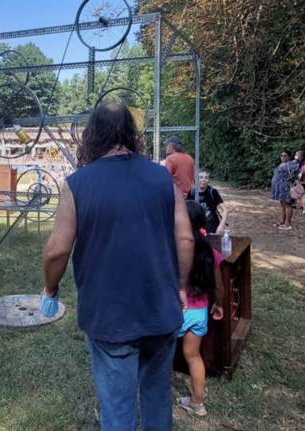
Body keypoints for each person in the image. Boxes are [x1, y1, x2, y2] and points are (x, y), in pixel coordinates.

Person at [40, 103, 194, 430]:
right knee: (157, 400)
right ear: (131, 132)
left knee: (117, 409)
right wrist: (180, 287)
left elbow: (56, 252)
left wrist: (50, 289)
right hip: (160, 310)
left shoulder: (77, 184)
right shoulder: (162, 177)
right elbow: (186, 239)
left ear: (92, 135)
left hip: (110, 317)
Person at [177, 200, 224, 417]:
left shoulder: (174, 248)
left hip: (177, 310)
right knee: (193, 357)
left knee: (161, 356)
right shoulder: (210, 251)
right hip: (199, 312)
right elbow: (219, 285)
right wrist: (219, 304)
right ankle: (198, 403)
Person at [187, 168, 229, 234]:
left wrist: (221, 226)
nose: (203, 180)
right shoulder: (192, 192)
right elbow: (186, 210)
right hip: (196, 227)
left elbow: (225, 210)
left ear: (209, 180)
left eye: (206, 178)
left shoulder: (212, 192)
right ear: (196, 179)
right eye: (201, 177)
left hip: (212, 226)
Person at [271, 151, 299, 230]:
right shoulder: (281, 164)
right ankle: (282, 221)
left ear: (289, 157)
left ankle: (288, 223)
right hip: (280, 188)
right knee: (283, 205)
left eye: (285, 155)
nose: (283, 157)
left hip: (286, 187)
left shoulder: (291, 164)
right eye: (281, 155)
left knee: (288, 205)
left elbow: (295, 174)